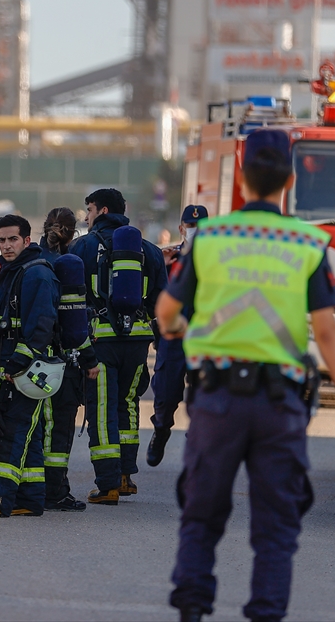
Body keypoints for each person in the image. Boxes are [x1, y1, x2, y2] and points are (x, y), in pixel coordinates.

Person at [157, 128, 335, 622]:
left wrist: (184, 327)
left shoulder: (211, 240)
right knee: (276, 523)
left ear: (242, 179)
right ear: (289, 180)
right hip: (279, 405)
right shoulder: (305, 243)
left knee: (202, 512)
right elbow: (327, 331)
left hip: (217, 400)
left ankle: (191, 607)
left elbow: (166, 312)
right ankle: (266, 613)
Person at [68, 188, 166, 504]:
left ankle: (107, 483)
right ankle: (125, 477)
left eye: (90, 209)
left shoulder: (83, 247)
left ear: (104, 210)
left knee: (101, 409)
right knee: (127, 404)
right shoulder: (149, 251)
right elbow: (162, 302)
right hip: (138, 342)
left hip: (101, 341)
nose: (86, 216)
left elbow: (70, 299)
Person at [0, 214, 58, 518]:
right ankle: (30, 498)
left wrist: (18, 361)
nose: (6, 246)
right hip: (14, 366)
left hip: (29, 369)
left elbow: (42, 324)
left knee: (14, 430)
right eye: (2, 240)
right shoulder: (13, 271)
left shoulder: (36, 274)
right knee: (27, 432)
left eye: (12, 240)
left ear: (26, 241)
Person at [146, 204, 208, 468]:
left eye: (200, 226)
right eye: (191, 226)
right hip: (173, 340)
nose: (195, 231)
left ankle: (197, 446)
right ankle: (160, 431)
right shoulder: (168, 259)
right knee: (166, 395)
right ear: (181, 228)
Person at [36, 206, 89, 512]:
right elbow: (75, 324)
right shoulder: (70, 265)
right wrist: (90, 359)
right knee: (60, 429)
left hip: (35, 361)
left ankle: (34, 486)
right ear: (73, 233)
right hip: (65, 361)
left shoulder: (33, 261)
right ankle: (56, 491)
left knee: (37, 427)